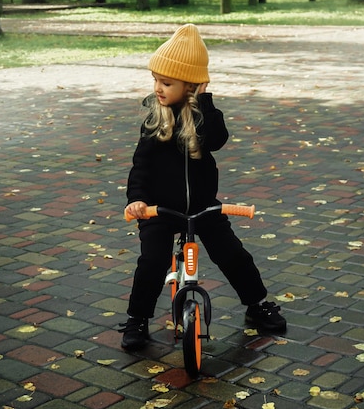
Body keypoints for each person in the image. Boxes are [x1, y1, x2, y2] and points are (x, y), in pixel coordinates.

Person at [119, 24, 286, 350]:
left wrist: (203, 100)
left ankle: (257, 305)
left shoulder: (203, 117)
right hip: (160, 210)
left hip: (202, 206)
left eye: (166, 82)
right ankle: (137, 319)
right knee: (153, 261)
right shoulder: (154, 121)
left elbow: (217, 139)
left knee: (232, 254)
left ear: (191, 85)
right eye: (155, 80)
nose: (158, 88)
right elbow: (140, 166)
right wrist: (137, 199)